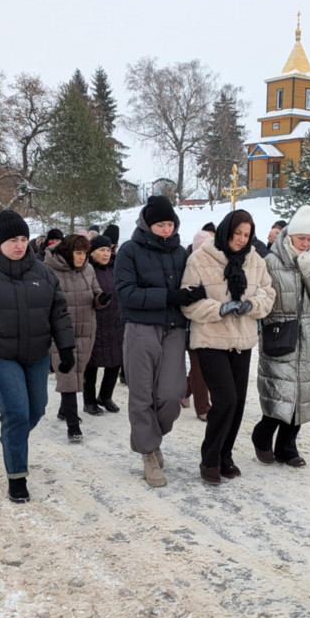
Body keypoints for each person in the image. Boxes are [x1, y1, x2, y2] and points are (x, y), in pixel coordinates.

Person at [0, 210, 75, 503]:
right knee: (17, 412)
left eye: (23, 239)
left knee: (37, 409)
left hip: (36, 354)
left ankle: (12, 437)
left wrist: (66, 348)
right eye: (12, 240)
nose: (19, 245)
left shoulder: (43, 272)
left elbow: (58, 312)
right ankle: (17, 476)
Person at [114, 195, 204, 488]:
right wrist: (168, 296)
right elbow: (126, 293)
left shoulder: (181, 253)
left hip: (174, 329)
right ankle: (148, 452)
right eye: (160, 224)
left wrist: (195, 294)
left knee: (171, 393)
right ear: (147, 224)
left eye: (170, 224)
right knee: (141, 394)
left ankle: (150, 437)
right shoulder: (129, 251)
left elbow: (192, 285)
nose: (166, 230)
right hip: (140, 328)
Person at [181, 209, 274, 484]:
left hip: (242, 340)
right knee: (225, 399)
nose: (242, 240)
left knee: (239, 402)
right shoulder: (200, 258)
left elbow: (268, 293)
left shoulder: (255, 260)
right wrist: (220, 308)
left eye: (247, 235)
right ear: (226, 232)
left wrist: (251, 305)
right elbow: (188, 301)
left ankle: (225, 456)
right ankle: (209, 459)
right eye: (237, 234)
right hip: (210, 339)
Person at [252, 205, 310, 468]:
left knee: (301, 394)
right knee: (279, 391)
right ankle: (262, 435)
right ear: (290, 236)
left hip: (309, 337)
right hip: (279, 334)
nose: (306, 244)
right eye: (302, 239)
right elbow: (261, 297)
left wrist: (308, 271)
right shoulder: (270, 262)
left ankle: (287, 447)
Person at [45, 233, 108, 442]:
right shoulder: (50, 270)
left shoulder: (88, 270)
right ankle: (73, 425)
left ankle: (64, 409)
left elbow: (96, 294)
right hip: (60, 331)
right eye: (78, 253)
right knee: (68, 372)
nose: (82, 257)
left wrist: (102, 299)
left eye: (85, 253)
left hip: (86, 330)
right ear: (67, 252)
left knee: (78, 370)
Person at [84, 234, 124, 414]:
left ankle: (105, 396)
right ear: (92, 252)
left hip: (115, 322)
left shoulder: (116, 268)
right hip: (95, 323)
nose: (106, 253)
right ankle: (89, 400)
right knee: (91, 365)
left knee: (115, 362)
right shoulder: (86, 270)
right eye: (101, 250)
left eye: (108, 250)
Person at [183, 228, 215, 421]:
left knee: (201, 366)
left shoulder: (215, 266)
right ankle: (203, 407)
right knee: (199, 366)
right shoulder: (190, 267)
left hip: (211, 324)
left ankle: (184, 392)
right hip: (192, 325)